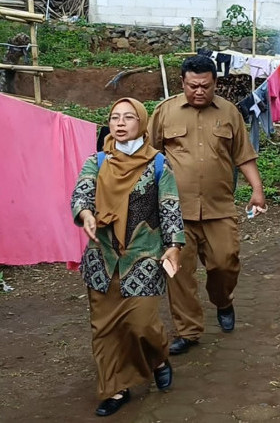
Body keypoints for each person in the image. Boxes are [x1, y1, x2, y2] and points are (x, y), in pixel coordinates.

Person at [71, 97, 185, 417]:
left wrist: (173, 245)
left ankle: (158, 357)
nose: (120, 123)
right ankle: (115, 388)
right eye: (114, 117)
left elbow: (171, 208)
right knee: (104, 328)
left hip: (143, 257)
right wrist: (85, 212)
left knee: (142, 324)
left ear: (142, 123)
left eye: (128, 117)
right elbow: (82, 190)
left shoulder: (159, 164)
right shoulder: (97, 161)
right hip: (102, 258)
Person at [148, 55, 265, 355]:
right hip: (175, 211)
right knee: (178, 273)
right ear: (182, 83)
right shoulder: (164, 112)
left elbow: (244, 155)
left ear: (215, 83)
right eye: (192, 86)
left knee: (225, 263)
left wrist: (257, 188)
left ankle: (223, 301)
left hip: (219, 207)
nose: (199, 92)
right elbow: (148, 157)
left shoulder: (229, 113)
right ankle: (188, 331)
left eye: (205, 86)